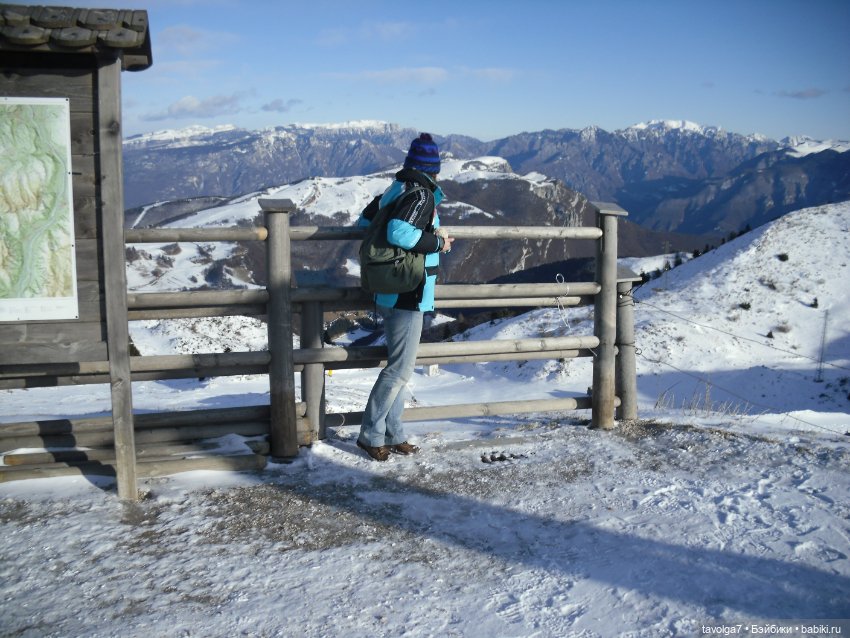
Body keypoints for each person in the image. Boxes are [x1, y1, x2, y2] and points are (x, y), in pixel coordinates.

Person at [356, 133, 454, 461]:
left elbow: (365, 222)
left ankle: (392, 432)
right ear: (433, 169)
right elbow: (399, 232)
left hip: (389, 289)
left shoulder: (396, 188)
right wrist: (437, 242)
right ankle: (371, 434)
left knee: (401, 369)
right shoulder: (422, 194)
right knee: (399, 371)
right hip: (408, 292)